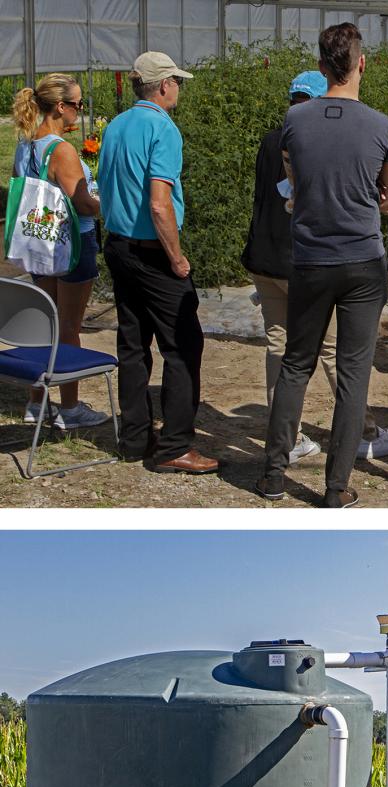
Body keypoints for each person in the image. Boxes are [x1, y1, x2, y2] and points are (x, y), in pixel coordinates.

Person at [255, 22, 388, 509]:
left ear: (321, 67)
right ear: (363, 63)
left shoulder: (294, 123)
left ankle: (274, 474)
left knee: (296, 364)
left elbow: (295, 185)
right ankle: (336, 488)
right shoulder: (383, 127)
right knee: (353, 373)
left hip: (311, 259)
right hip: (362, 260)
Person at [97, 52, 216, 473]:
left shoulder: (115, 125)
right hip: (152, 250)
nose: (179, 88)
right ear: (163, 84)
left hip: (118, 245)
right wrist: (177, 257)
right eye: (177, 81)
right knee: (183, 344)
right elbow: (160, 203)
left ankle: (134, 438)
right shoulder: (163, 129)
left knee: (133, 343)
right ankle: (174, 446)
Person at [9, 74, 109, 431]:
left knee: (45, 322)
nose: (80, 112)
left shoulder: (26, 146)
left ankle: (37, 403)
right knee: (69, 325)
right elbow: (81, 204)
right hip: (71, 245)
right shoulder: (62, 150)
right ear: (62, 107)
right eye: (78, 105)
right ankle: (70, 407)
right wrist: (107, 203)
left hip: (38, 243)